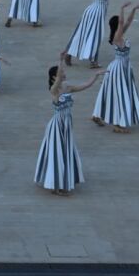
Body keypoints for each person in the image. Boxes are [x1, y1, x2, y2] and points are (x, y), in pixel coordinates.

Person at [34, 55, 99, 196]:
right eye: (61, 72)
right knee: (57, 153)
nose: (64, 73)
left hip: (67, 125)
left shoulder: (67, 87)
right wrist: (61, 61)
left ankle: (61, 183)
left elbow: (85, 86)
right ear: (54, 77)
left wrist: (95, 76)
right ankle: (56, 186)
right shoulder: (54, 90)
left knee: (64, 152)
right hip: (57, 125)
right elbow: (58, 79)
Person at [91, 2, 139, 132]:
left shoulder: (120, 36)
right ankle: (117, 124)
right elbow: (122, 22)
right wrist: (121, 8)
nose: (122, 24)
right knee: (119, 93)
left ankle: (97, 115)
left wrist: (133, 10)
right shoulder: (117, 38)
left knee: (109, 92)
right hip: (119, 68)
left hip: (122, 67)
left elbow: (128, 21)